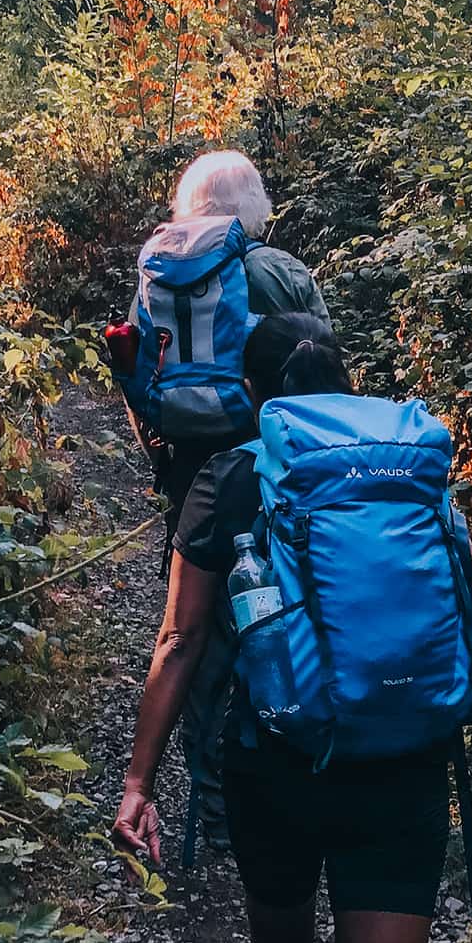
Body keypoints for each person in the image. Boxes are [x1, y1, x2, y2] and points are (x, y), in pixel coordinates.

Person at [111, 314, 472, 943]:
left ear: (253, 395)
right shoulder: (410, 471)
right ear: (349, 385)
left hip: (277, 761)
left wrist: (140, 780)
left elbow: (180, 641)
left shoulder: (230, 477)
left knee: (279, 942)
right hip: (404, 764)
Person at [125, 150, 332, 857]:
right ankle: (306, 776)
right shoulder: (285, 273)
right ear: (255, 208)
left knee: (197, 638)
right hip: (283, 475)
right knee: (297, 616)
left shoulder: (161, 275)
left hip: (197, 479)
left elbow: (138, 383)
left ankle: (214, 809)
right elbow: (325, 380)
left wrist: (166, 463)